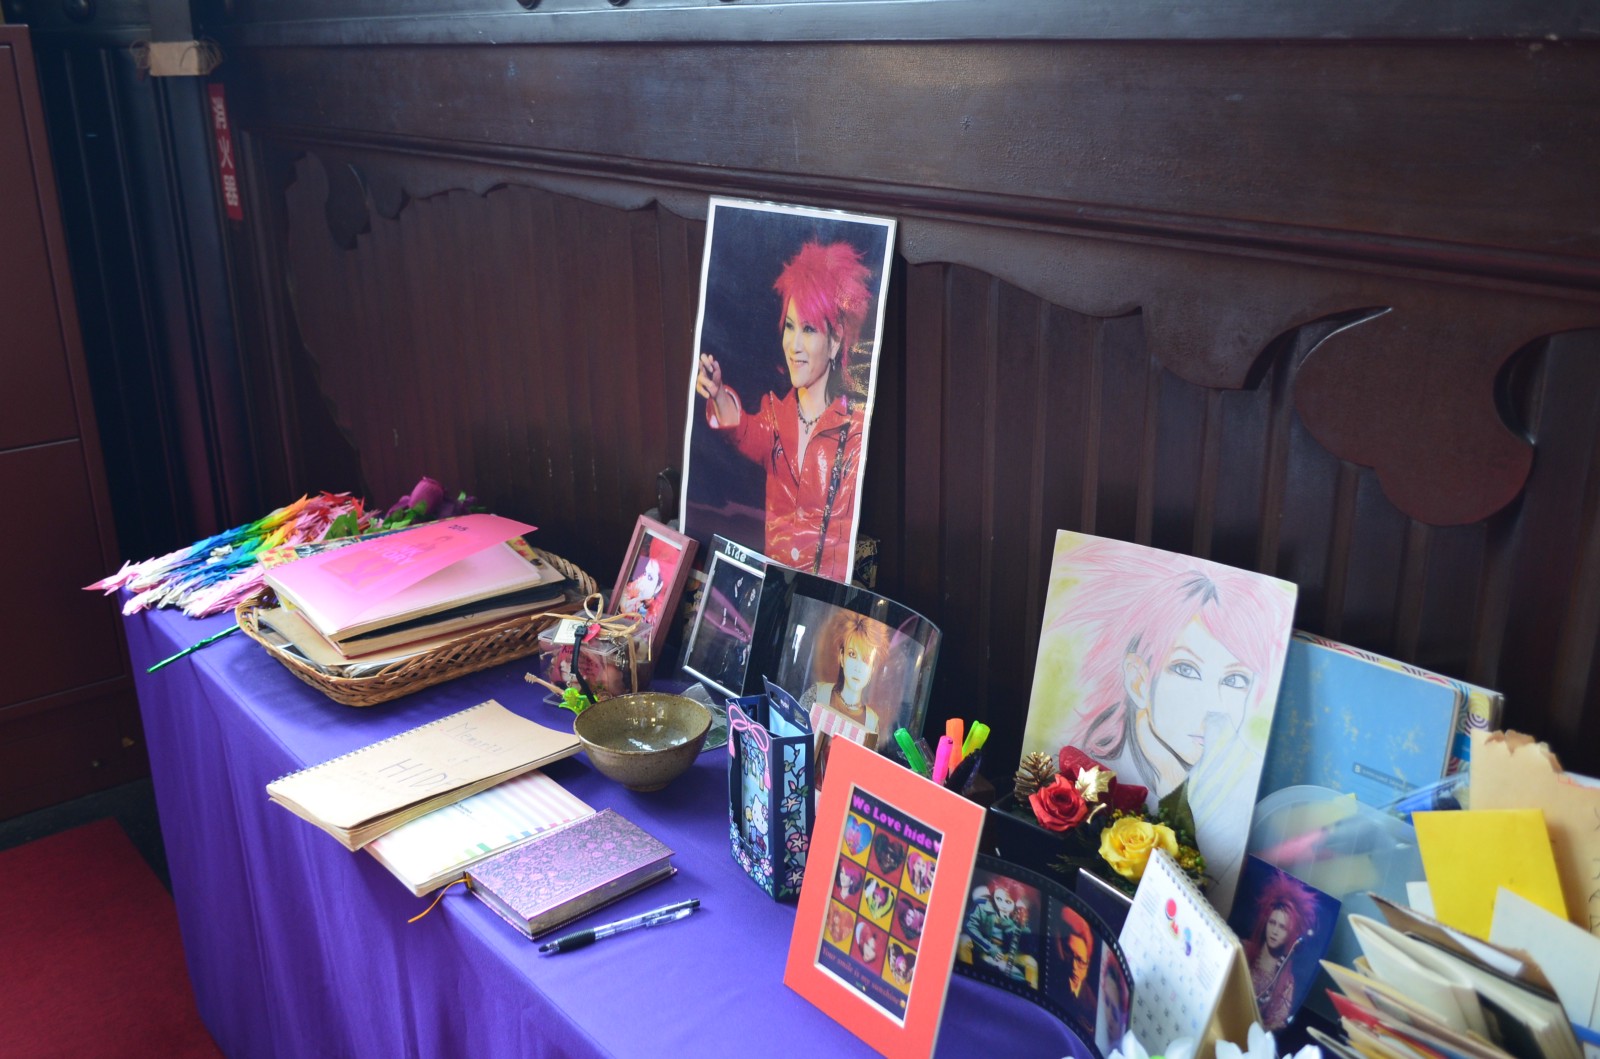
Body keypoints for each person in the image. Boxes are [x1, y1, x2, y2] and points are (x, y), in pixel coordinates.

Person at [1046, 539, 1295, 908]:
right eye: (1186, 669)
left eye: (1235, 679)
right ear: (1138, 679)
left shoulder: (1228, 790)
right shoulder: (1085, 763)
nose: (1213, 705)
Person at [696, 240, 874, 581]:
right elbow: (743, 431)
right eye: (790, 327)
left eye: (808, 329)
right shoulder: (775, 417)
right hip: (774, 590)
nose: (793, 345)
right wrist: (717, 393)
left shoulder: (854, 433)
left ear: (835, 340)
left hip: (823, 602)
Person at [799, 612, 893, 752]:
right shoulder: (816, 694)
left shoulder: (872, 722)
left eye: (866, 660)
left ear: (872, 669)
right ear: (842, 657)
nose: (858, 667)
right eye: (852, 654)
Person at [1242, 874, 1316, 1029]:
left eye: (1282, 927)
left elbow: (1277, 1024)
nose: (1275, 931)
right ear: (1266, 922)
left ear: (1291, 933)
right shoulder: (1243, 949)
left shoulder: (1287, 982)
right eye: (1272, 923)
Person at [1055, 906, 1096, 1015]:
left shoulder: (1093, 1008)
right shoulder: (1054, 978)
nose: (1074, 966)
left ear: (1087, 964)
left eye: (1080, 960)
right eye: (1069, 953)